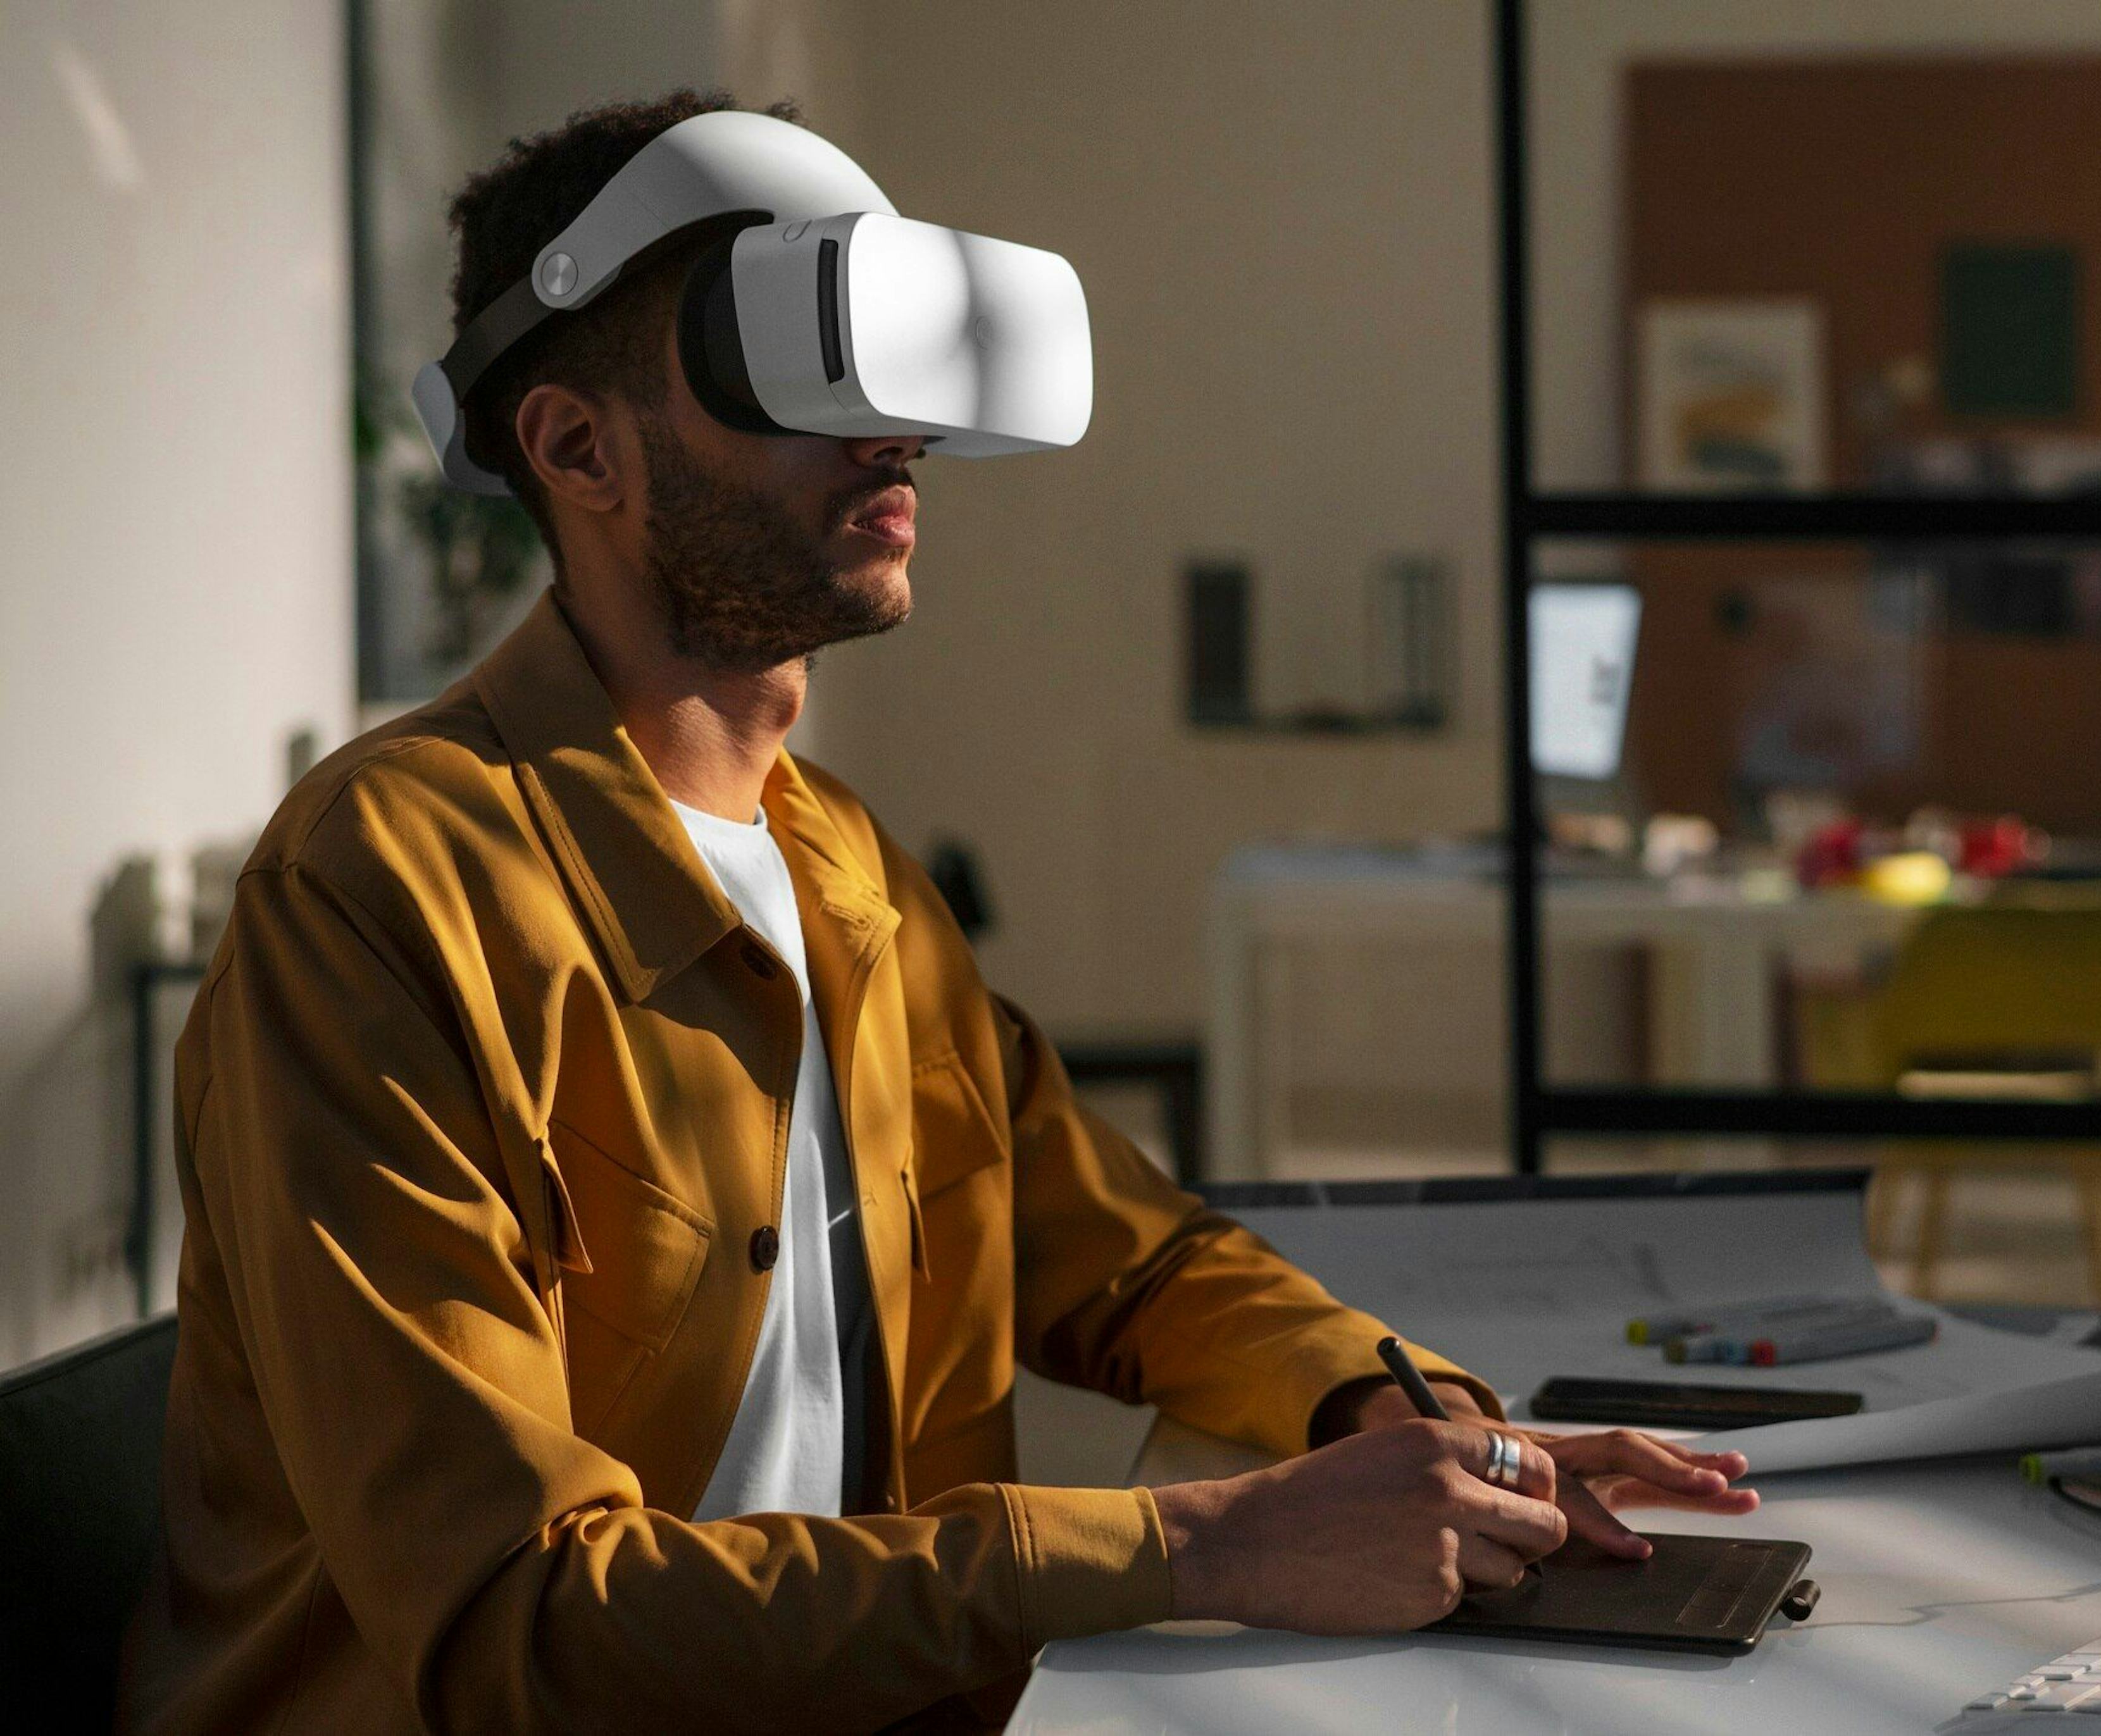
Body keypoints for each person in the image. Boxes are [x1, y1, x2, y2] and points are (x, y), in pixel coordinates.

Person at [117, 92, 1756, 1735]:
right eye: (791, 361)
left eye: (891, 356)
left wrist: (1421, 1430)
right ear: (573, 448)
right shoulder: (384, 894)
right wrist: (1202, 1544)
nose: (890, 433)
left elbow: (1125, 1255)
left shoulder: (849, 873)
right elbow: (516, 1631)